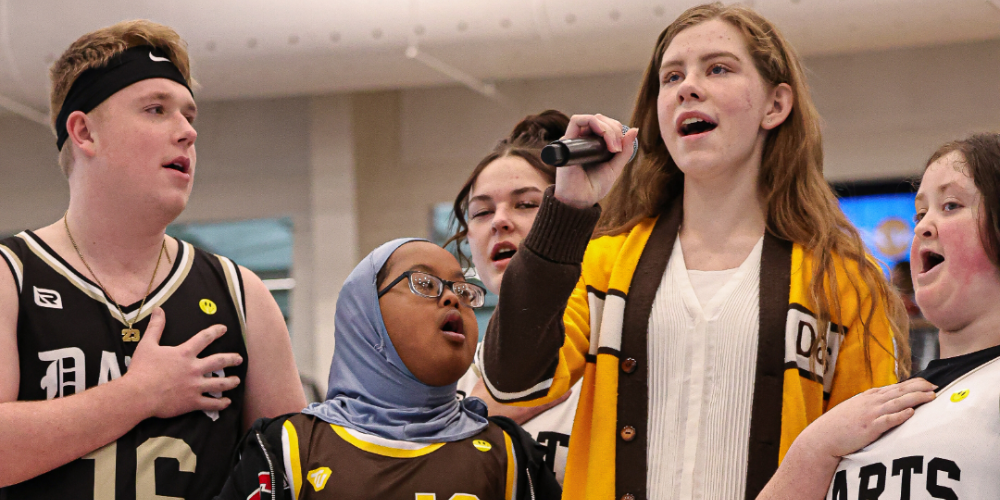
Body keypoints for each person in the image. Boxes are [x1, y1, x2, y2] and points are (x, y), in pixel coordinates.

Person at [476, 3, 910, 499]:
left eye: (718, 68)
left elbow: (875, 459)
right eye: (672, 76)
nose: (688, 87)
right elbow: (514, 383)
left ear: (776, 105)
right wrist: (569, 206)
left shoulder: (843, 278)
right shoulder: (605, 263)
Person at [0, 20, 306, 498]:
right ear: (84, 132)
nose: (186, 132)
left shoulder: (242, 292)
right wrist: (138, 395)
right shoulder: (9, 277)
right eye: (156, 110)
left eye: (189, 116)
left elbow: (291, 475)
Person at [214, 239, 560, 500]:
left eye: (463, 290)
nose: (453, 297)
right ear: (365, 318)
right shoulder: (289, 448)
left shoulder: (509, 452)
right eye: (425, 283)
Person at [758, 133, 1000, 499]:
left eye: (951, 205)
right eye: (920, 212)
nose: (922, 226)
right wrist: (814, 448)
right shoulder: (872, 412)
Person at [448, 110, 582, 485]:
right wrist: (480, 417)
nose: (499, 221)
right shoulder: (451, 372)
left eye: (525, 204)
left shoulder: (615, 347)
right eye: (482, 211)